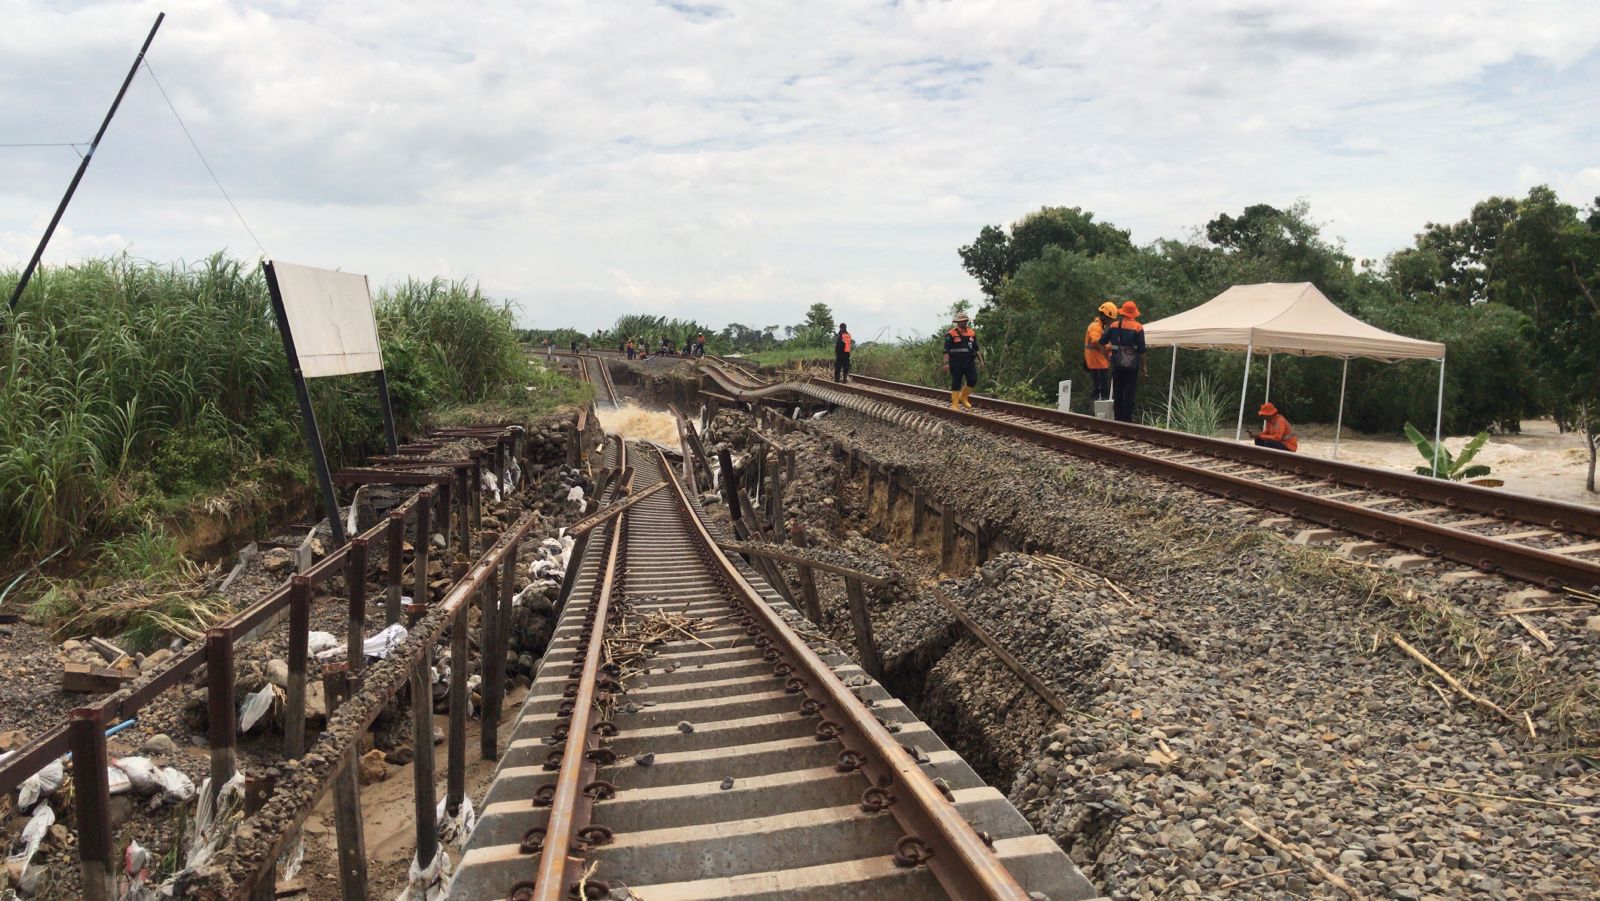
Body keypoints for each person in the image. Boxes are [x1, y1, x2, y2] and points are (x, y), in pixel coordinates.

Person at [1098, 300, 1145, 422]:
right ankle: (1127, 419)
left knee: (1118, 390)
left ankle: (1118, 418)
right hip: (1132, 366)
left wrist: (1106, 357)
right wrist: (1144, 367)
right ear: (1134, 314)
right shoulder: (1138, 328)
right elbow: (1142, 350)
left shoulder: (1114, 326)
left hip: (1117, 364)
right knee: (1129, 392)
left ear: (1123, 312)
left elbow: (1101, 342)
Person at [942, 311, 980, 409]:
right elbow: (946, 350)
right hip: (956, 363)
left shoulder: (971, 333)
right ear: (958, 322)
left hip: (969, 362)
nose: (964, 322)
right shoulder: (951, 334)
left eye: (965, 320)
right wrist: (946, 363)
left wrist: (981, 360)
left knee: (973, 379)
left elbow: (976, 348)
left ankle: (963, 397)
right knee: (956, 382)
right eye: (962, 321)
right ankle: (955, 404)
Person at [1083, 301, 1116, 402]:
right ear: (1105, 316)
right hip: (1096, 364)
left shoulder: (1100, 327)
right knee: (1099, 393)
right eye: (1110, 319)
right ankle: (1097, 414)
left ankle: (1100, 413)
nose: (1110, 322)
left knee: (1103, 391)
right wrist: (1107, 352)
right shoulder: (1094, 326)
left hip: (1100, 364)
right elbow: (1097, 342)